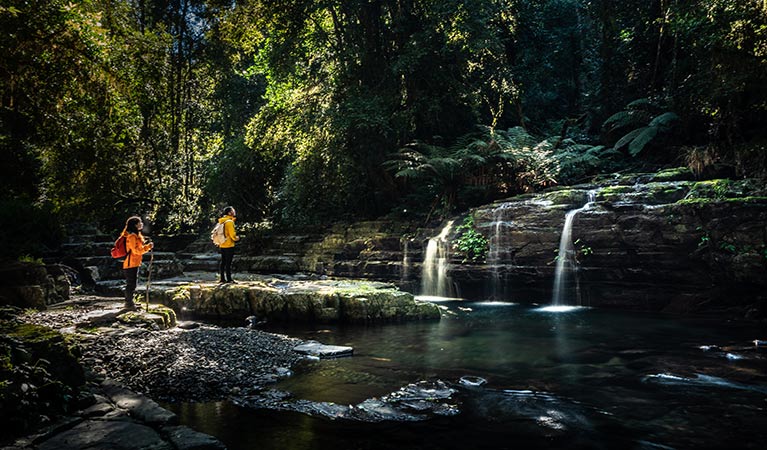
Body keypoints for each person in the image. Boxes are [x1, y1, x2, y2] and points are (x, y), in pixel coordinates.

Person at [121, 216, 153, 309]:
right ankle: (128, 303)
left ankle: (130, 302)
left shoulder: (136, 235)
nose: (141, 224)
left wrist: (146, 245)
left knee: (132, 284)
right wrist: (147, 247)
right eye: (140, 222)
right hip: (130, 263)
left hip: (134, 263)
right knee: (131, 284)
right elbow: (136, 251)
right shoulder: (131, 236)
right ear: (135, 225)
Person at [217, 206, 239, 283]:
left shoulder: (222, 221)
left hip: (222, 244)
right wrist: (236, 238)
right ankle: (229, 279)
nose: (234, 211)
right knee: (228, 262)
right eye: (233, 210)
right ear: (229, 213)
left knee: (223, 262)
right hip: (229, 244)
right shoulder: (229, 222)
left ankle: (222, 278)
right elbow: (232, 235)